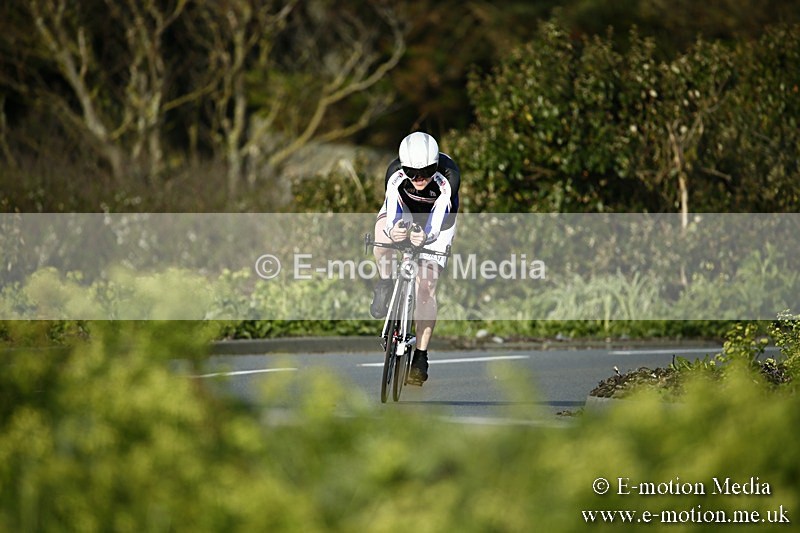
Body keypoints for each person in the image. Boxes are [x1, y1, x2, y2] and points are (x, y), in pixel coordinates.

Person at [370, 131, 460, 386]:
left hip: (439, 221)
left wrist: (426, 236)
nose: (419, 178)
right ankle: (386, 282)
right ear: (403, 166)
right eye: (412, 172)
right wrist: (393, 231)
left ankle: (420, 354)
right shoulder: (395, 175)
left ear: (436, 165)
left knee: (426, 286)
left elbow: (438, 218)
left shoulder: (449, 177)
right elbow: (391, 211)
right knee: (381, 239)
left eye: (426, 171)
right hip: (406, 211)